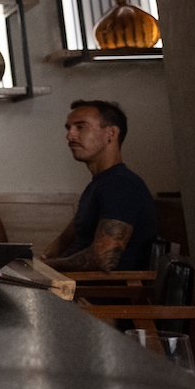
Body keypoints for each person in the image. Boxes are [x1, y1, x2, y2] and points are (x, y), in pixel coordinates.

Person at [41, 100, 156, 272]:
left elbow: (102, 258)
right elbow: (64, 241)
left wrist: (47, 268)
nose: (70, 135)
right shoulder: (98, 184)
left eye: (80, 127)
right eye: (68, 128)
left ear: (111, 133)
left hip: (100, 292)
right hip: (71, 284)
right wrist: (41, 261)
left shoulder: (121, 185)